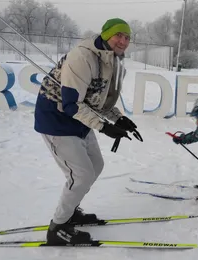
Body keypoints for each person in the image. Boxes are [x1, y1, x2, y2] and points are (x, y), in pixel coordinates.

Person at [34, 18, 143, 245]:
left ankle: (71, 210)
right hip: (57, 118)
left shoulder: (110, 59)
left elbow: (96, 98)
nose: (123, 41)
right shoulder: (83, 56)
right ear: (105, 34)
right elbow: (72, 103)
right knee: (81, 175)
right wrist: (104, 127)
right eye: (118, 35)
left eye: (127, 37)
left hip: (80, 118)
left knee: (95, 166)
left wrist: (120, 119)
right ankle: (58, 227)